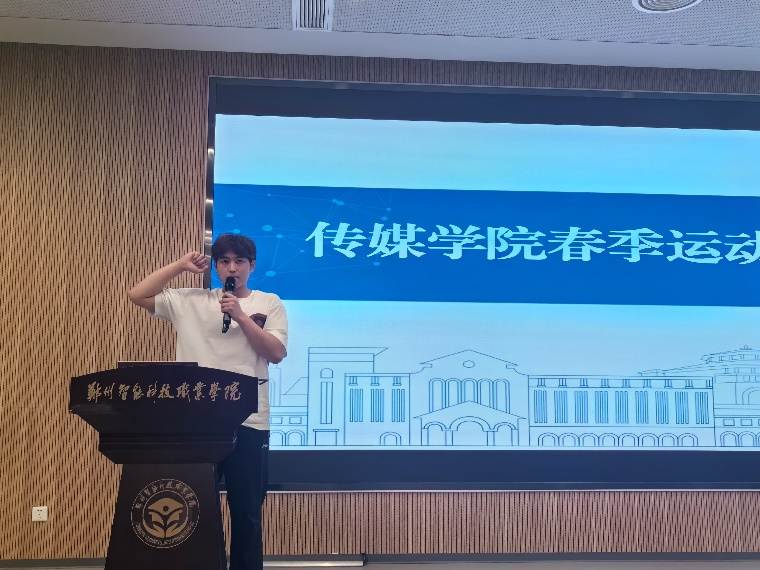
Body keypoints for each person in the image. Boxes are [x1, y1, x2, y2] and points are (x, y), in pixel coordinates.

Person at [128, 233, 288, 570]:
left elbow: (276, 353)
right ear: (216, 267)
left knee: (247, 513)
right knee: (194, 507)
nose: (232, 268)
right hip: (197, 424)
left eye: (239, 261)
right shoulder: (191, 301)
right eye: (224, 261)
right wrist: (179, 266)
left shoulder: (269, 301)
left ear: (252, 266)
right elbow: (137, 294)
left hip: (249, 420)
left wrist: (241, 316)